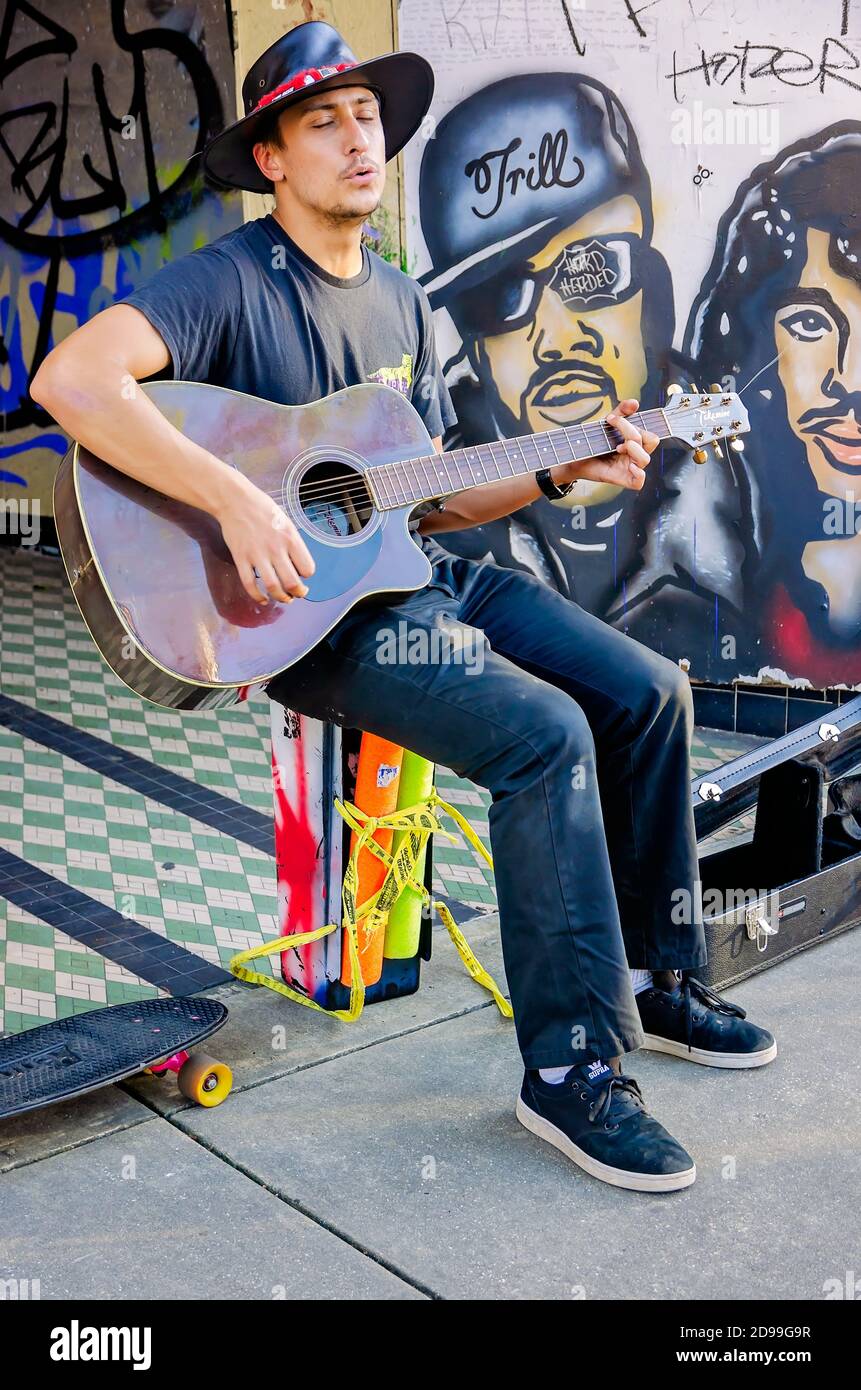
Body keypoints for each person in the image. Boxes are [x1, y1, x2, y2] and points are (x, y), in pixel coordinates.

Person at [31, 20, 775, 1195]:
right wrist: (235, 501)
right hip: (313, 624)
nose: (356, 137)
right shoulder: (228, 279)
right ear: (271, 158)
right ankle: (572, 1072)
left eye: (367, 115)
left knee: (648, 692)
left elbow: (417, 496)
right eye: (321, 120)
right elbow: (70, 379)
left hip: (409, 577)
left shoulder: (403, 303)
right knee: (546, 736)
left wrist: (558, 468)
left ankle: (657, 979)